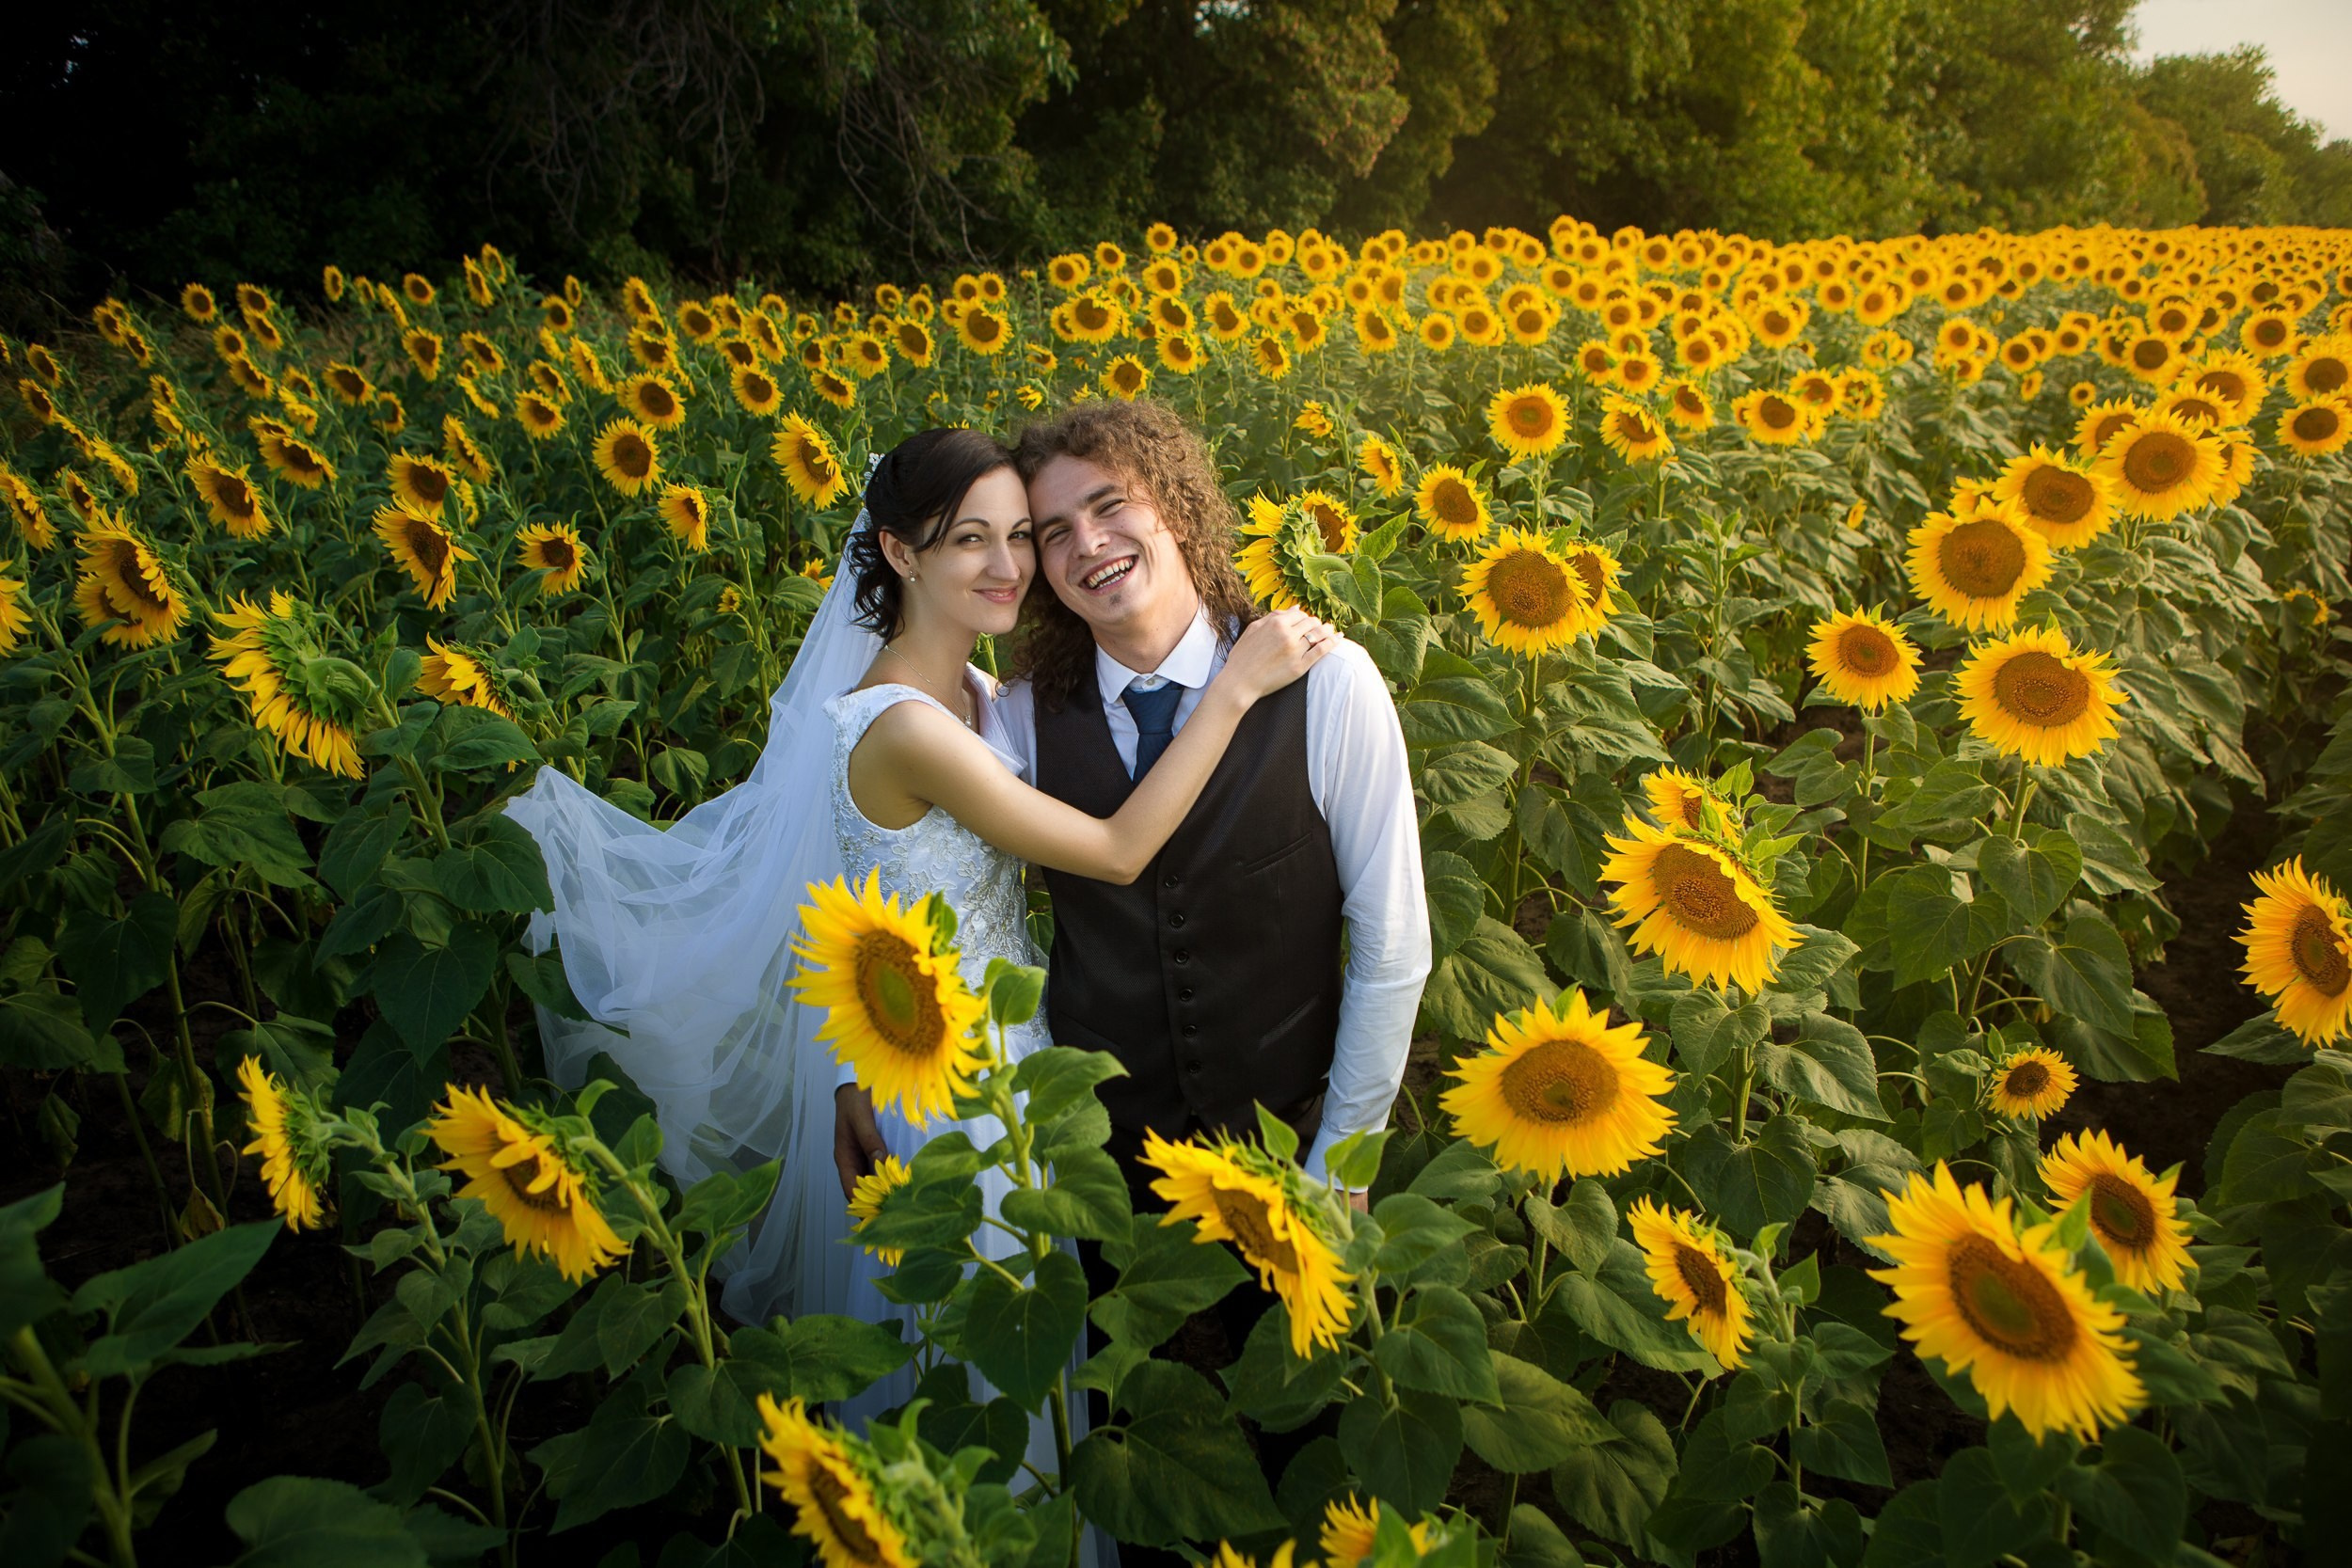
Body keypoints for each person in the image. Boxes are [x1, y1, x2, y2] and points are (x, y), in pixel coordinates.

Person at [505, 427, 1334, 1478]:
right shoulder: (899, 724)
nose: (1010, 566)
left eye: (1019, 536)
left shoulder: (978, 693)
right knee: (984, 1358)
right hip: (948, 1082)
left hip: (1004, 1048)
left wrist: (845, 1064)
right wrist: (1232, 688)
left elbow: (834, 887)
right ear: (899, 552)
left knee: (1032, 1334)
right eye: (968, 541)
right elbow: (1118, 853)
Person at [831, 404, 1430, 1482]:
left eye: (1110, 506)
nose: (1085, 544)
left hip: (1283, 1140)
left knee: (1303, 1441)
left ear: (1179, 507)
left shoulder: (1326, 682)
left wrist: (1340, 1161)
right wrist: (851, 1065)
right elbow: (894, 877)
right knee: (1116, 1445)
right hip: (1099, 1152)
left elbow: (1392, 943)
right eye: (1051, 531)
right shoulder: (1012, 718)